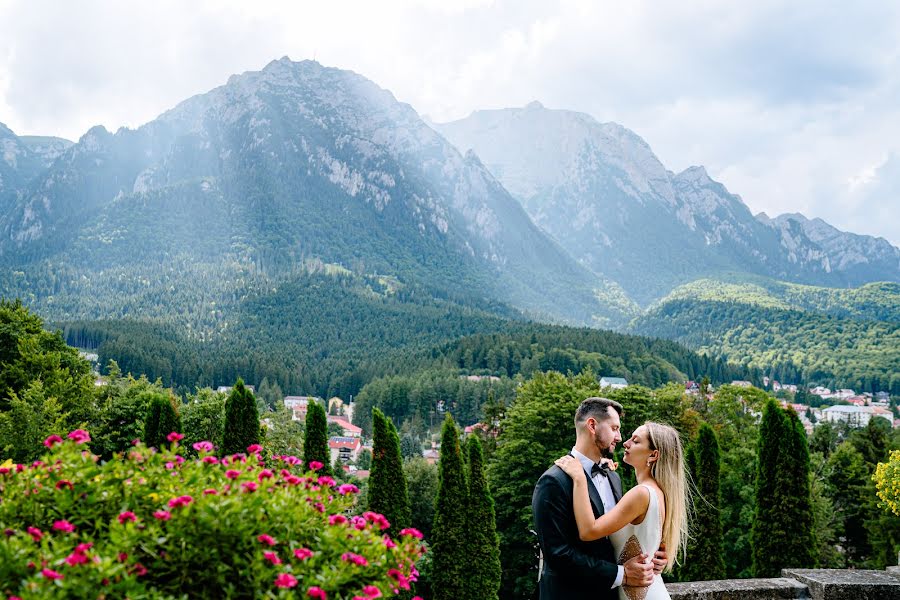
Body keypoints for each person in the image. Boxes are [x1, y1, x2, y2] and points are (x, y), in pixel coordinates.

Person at [532, 397, 669, 600]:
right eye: (614, 428)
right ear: (592, 425)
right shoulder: (554, 481)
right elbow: (558, 554)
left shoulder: (613, 477)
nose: (619, 437)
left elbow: (619, 535)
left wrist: (652, 556)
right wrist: (622, 574)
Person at [555, 420, 688, 600]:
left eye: (636, 440)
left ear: (653, 455)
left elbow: (588, 531)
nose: (625, 443)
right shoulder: (658, 492)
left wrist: (580, 478)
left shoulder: (641, 493)